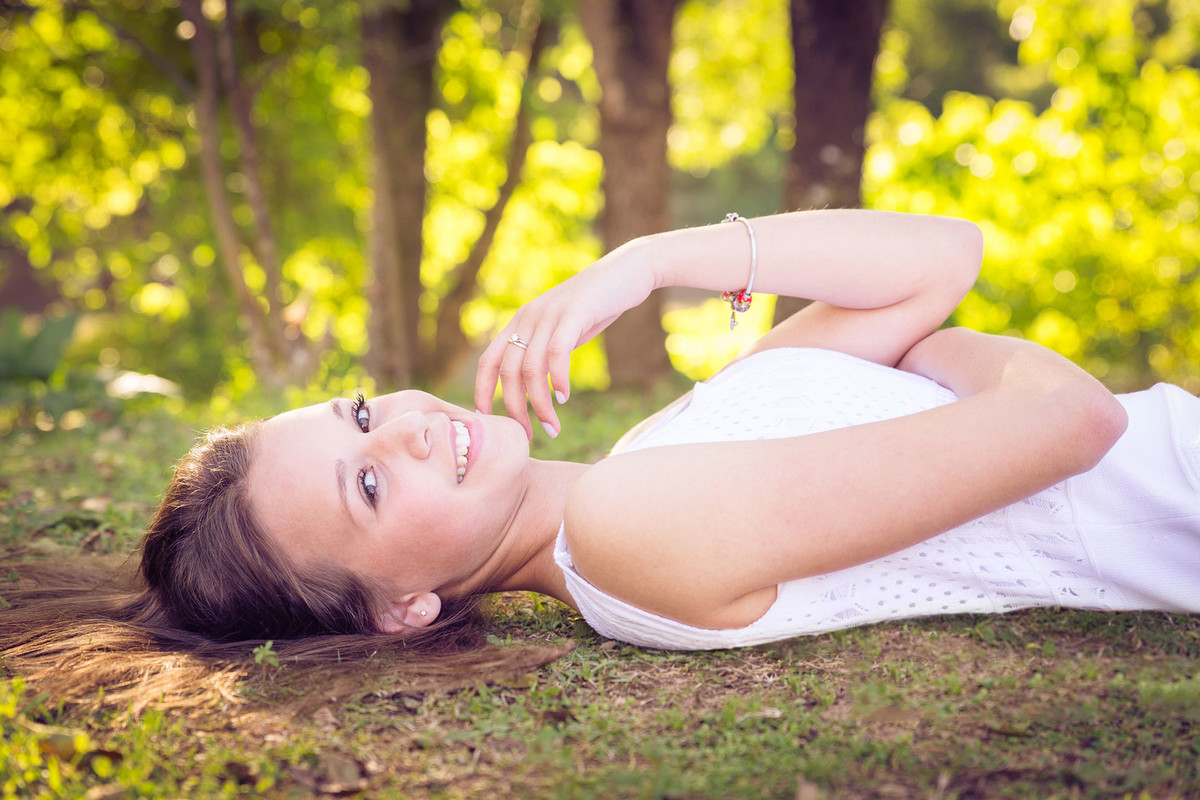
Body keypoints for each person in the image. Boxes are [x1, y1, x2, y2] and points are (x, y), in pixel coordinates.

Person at [133, 209, 1200, 651]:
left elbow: (939, 258)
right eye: (365, 484)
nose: (404, 430)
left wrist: (645, 260)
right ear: (405, 609)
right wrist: (949, 350)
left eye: (360, 412)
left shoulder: (652, 458)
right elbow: (1074, 417)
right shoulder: (623, 523)